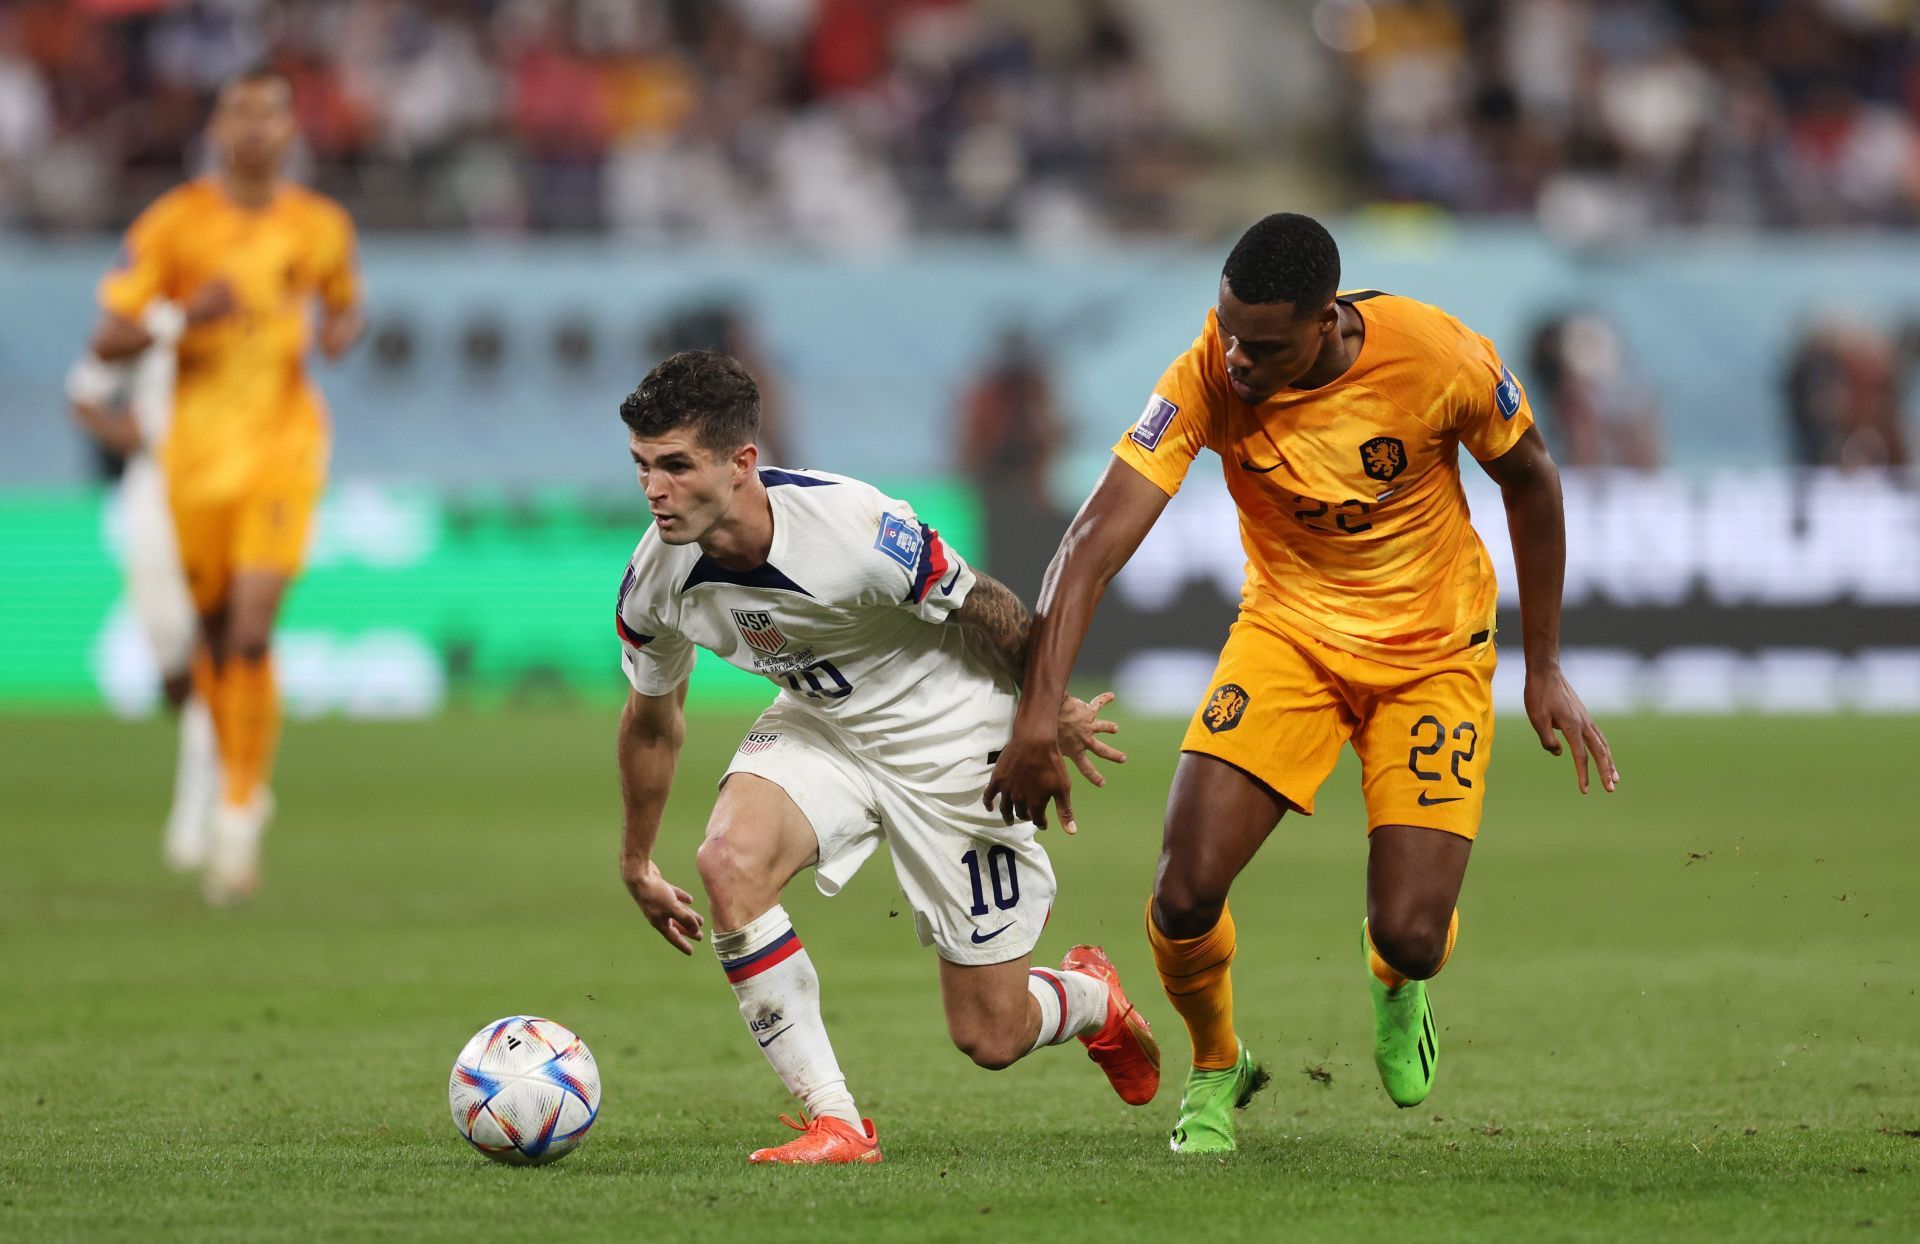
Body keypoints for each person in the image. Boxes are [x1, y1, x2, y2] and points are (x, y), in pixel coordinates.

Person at [985, 213, 1619, 1154]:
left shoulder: (1437, 355)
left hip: (1433, 655)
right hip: (1288, 640)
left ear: (1328, 321)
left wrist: (1548, 664)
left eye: (1265, 344)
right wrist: (1038, 714)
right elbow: (1089, 548)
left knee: (1410, 931)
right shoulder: (1210, 369)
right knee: (1184, 892)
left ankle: (1399, 983)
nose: (1238, 358)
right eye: (1229, 329)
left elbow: (1532, 482)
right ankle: (1215, 1068)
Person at [612, 350, 1158, 1165]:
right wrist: (636, 859)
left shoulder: (856, 529)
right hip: (821, 724)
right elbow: (653, 724)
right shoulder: (656, 579)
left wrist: (1045, 717)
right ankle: (835, 1122)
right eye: (643, 466)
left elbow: (991, 606)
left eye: (675, 466)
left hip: (948, 732)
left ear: (741, 463)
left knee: (991, 1033)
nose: (653, 490)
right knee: (728, 860)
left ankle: (1090, 999)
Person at [90, 67, 363, 905]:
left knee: (250, 627)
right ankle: (238, 787)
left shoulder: (319, 225)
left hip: (283, 450)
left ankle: (239, 818)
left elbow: (343, 304)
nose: (255, 129)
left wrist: (337, 326)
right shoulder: (175, 224)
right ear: (219, 125)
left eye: (270, 115)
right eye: (240, 112)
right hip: (194, 461)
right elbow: (107, 341)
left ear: (289, 130)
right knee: (213, 642)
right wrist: (181, 318)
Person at [66, 299, 221, 871]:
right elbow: (83, 392)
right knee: (170, 657)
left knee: (217, 648)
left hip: (223, 487)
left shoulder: (242, 310)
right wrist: (124, 433)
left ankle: (198, 811)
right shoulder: (154, 316)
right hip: (154, 492)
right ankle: (226, 753)